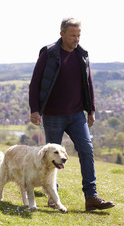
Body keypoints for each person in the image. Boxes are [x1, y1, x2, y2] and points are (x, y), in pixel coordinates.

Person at [29, 17, 115, 211]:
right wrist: (34, 109)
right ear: (62, 34)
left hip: (77, 115)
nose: (76, 39)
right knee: (52, 158)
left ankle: (91, 197)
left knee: (87, 150)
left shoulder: (82, 55)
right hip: (53, 116)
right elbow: (35, 82)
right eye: (72, 35)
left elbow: (88, 83)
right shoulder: (49, 53)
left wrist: (91, 109)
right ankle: (52, 197)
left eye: (79, 35)